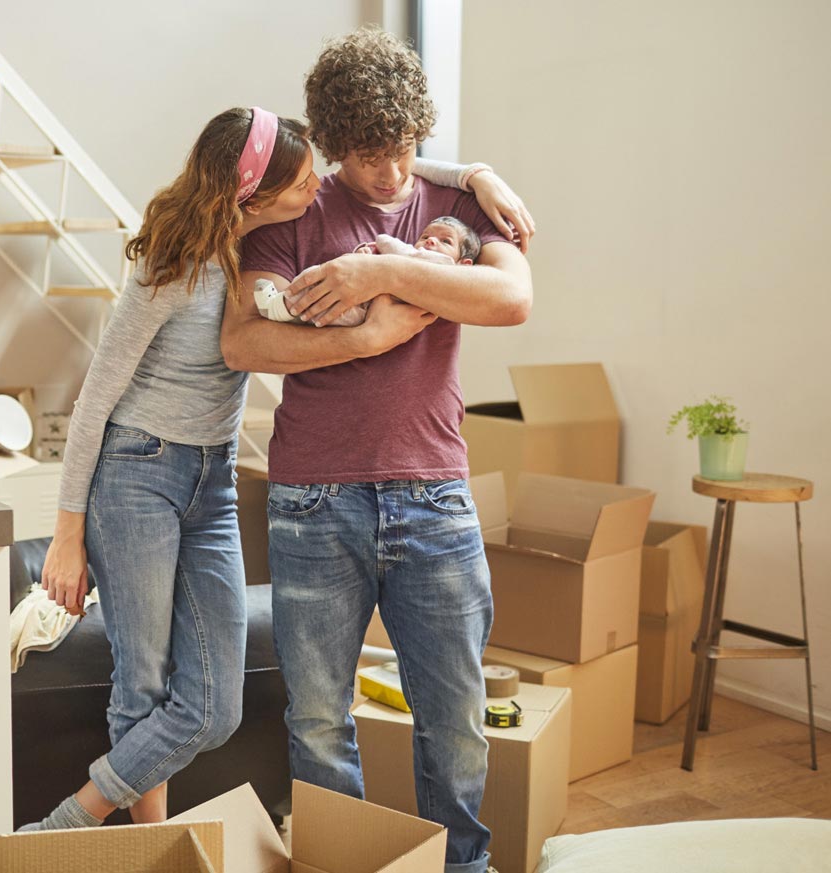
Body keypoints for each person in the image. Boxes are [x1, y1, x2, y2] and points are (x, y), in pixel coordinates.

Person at [26, 105, 532, 832]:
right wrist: (66, 533)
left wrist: (471, 174)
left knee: (214, 706)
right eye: (300, 183)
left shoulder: (261, 244)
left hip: (215, 482)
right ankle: (124, 842)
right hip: (137, 470)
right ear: (250, 193)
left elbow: (384, 166)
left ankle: (81, 816)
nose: (317, 189)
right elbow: (96, 399)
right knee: (141, 683)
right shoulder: (172, 266)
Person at [222, 28, 534, 873]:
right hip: (312, 502)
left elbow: (510, 298)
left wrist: (375, 276)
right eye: (367, 158)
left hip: (434, 495)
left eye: (402, 153)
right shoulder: (295, 212)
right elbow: (244, 344)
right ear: (332, 144)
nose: (390, 176)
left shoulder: (457, 207)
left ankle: (459, 866)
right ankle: (341, 862)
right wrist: (365, 338)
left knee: (457, 716)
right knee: (319, 721)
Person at [255, 216, 481, 324]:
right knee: (322, 279)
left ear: (464, 264)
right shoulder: (415, 257)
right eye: (425, 236)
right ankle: (282, 306)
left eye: (446, 241)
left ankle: (280, 308)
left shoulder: (443, 267)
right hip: (365, 302)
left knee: (327, 303)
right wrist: (366, 253)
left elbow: (395, 251)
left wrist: (381, 243)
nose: (431, 241)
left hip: (367, 310)